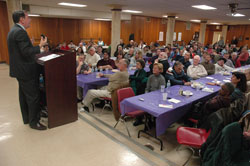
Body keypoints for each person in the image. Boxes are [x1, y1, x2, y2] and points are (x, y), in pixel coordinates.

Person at [7, 10, 47, 130]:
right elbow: (26, 52)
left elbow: (21, 51)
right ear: (21, 19)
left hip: (20, 70)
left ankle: (27, 118)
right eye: (28, 17)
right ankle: (34, 122)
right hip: (26, 70)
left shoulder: (13, 30)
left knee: (24, 96)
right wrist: (39, 46)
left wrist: (30, 45)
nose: (30, 20)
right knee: (33, 96)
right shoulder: (20, 32)